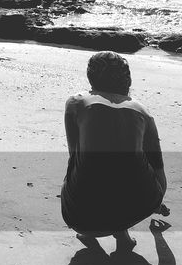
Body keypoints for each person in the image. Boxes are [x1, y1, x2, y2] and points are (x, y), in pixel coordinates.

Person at [61, 51, 168, 254]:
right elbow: (159, 171)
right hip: (138, 207)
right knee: (126, 164)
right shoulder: (143, 112)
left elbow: (74, 157)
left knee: (90, 164)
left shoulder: (76, 103)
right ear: (127, 79)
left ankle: (90, 233)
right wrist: (156, 200)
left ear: (90, 77)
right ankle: (122, 234)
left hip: (81, 217)